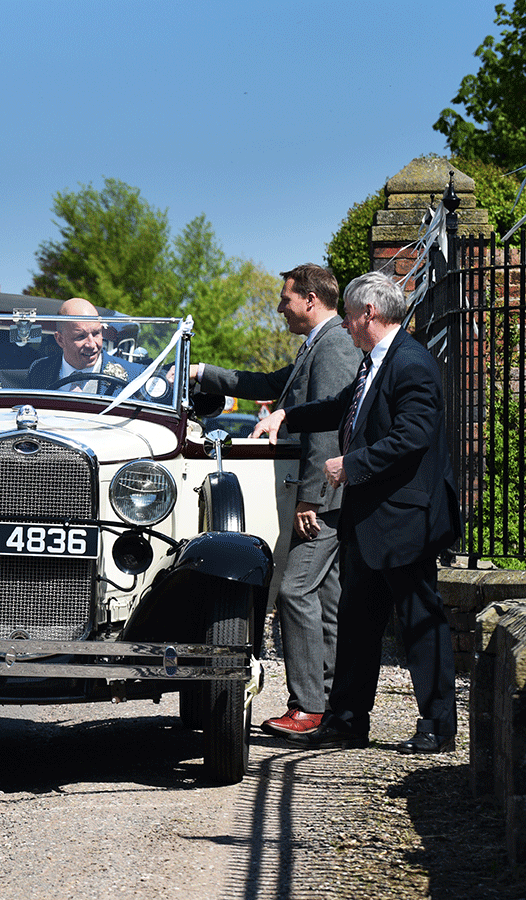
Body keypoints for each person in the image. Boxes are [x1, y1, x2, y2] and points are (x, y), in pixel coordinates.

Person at [252, 271, 461, 754]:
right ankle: (347, 721)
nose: (344, 325)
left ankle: (437, 725)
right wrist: (287, 414)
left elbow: (413, 436)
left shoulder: (412, 363)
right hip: (368, 521)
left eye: (348, 315)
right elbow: (342, 408)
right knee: (357, 625)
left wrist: (352, 463)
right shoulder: (374, 365)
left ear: (368, 313)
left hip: (406, 520)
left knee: (419, 623)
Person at [192, 264, 361, 738]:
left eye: (285, 298)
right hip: (325, 497)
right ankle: (329, 705)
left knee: (295, 592)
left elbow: (328, 432)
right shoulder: (319, 344)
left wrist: (311, 499)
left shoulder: (332, 346)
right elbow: (269, 386)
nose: (279, 306)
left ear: (310, 299)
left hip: (323, 498)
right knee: (324, 598)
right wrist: (204, 373)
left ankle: (308, 707)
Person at [27, 297, 143, 393]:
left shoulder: (135, 376)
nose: (92, 344)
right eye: (81, 336)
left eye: (96, 333)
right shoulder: (39, 370)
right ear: (60, 340)